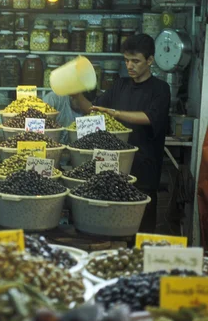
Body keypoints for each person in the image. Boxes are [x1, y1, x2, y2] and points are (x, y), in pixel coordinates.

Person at [69, 34, 171, 233]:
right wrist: (76, 94)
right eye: (126, 60)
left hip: (144, 171)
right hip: (113, 171)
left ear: (150, 60)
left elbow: (150, 117)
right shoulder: (119, 85)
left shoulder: (160, 89)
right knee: (112, 232)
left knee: (141, 233)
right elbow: (92, 109)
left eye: (136, 61)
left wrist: (114, 113)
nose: (130, 66)